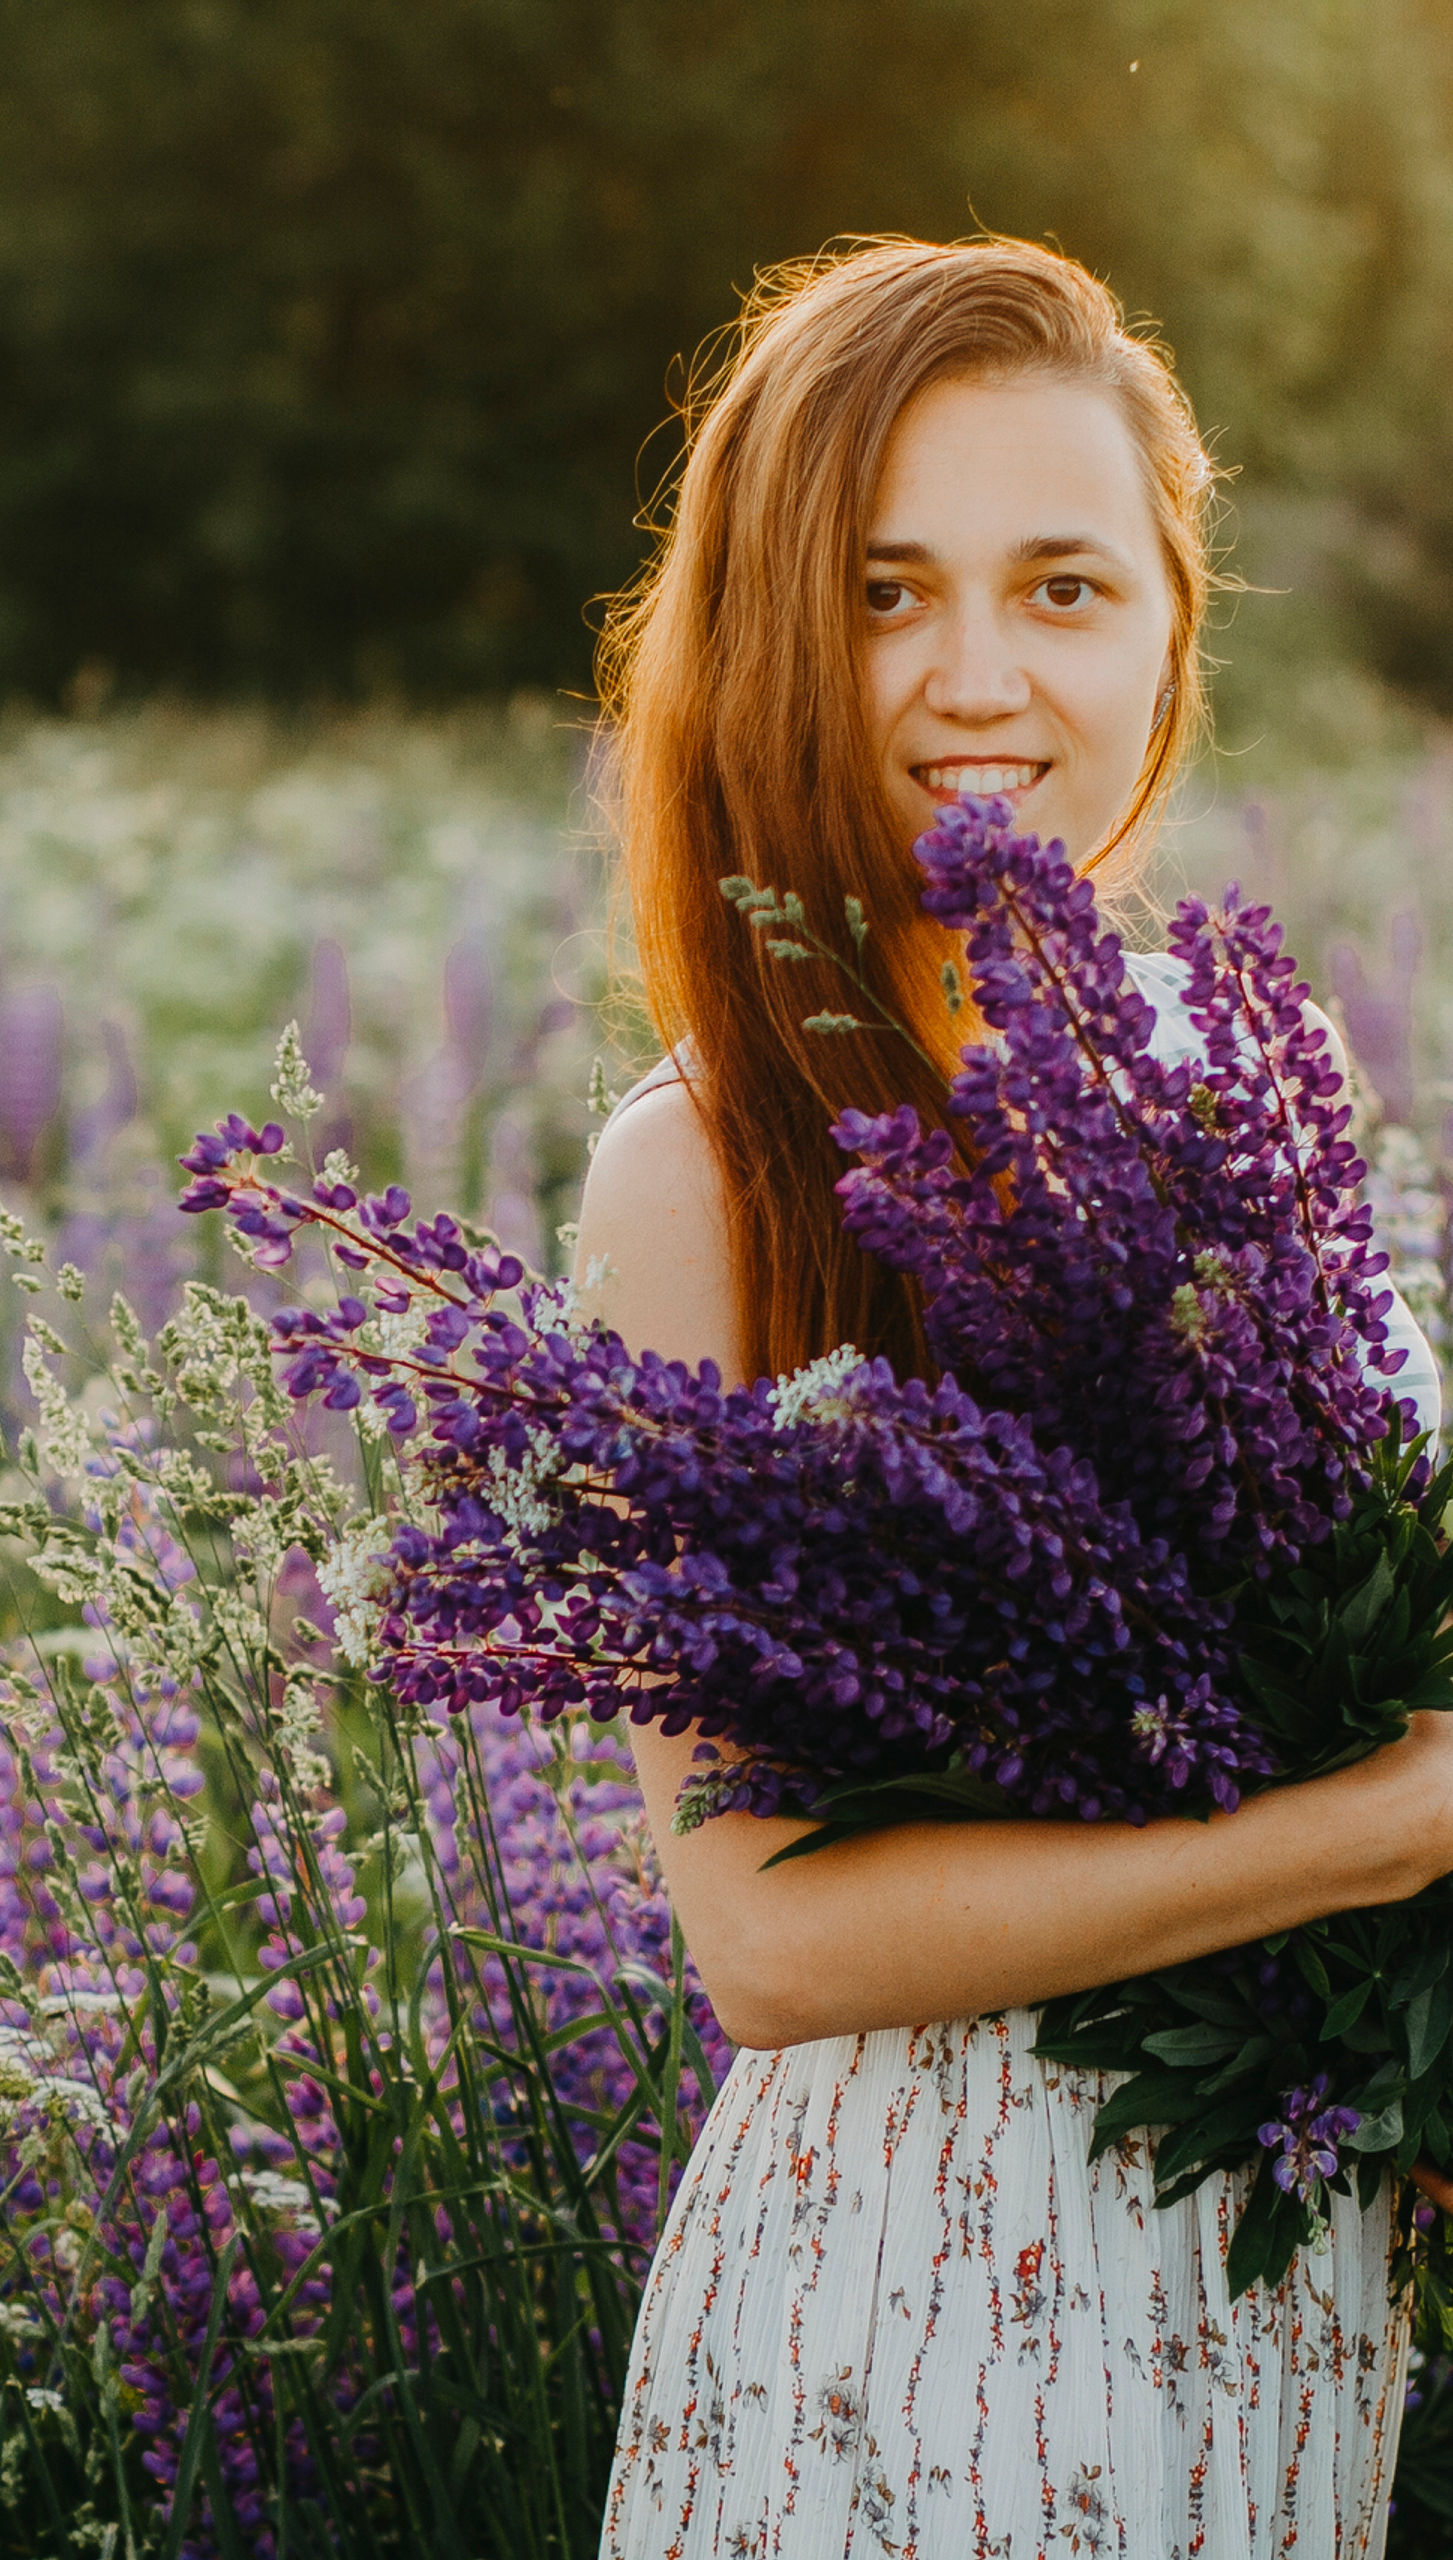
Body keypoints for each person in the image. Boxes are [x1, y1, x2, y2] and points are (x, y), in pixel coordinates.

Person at [576, 236, 1449, 2558]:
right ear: (773, 632)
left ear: (1168, 617)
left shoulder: (1244, 1076)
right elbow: (763, 1939)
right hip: (916, 2342)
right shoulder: (705, 1169)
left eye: (1060, 584)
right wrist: (1385, 1831)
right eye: (884, 591)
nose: (977, 677)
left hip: (1268, 2305)